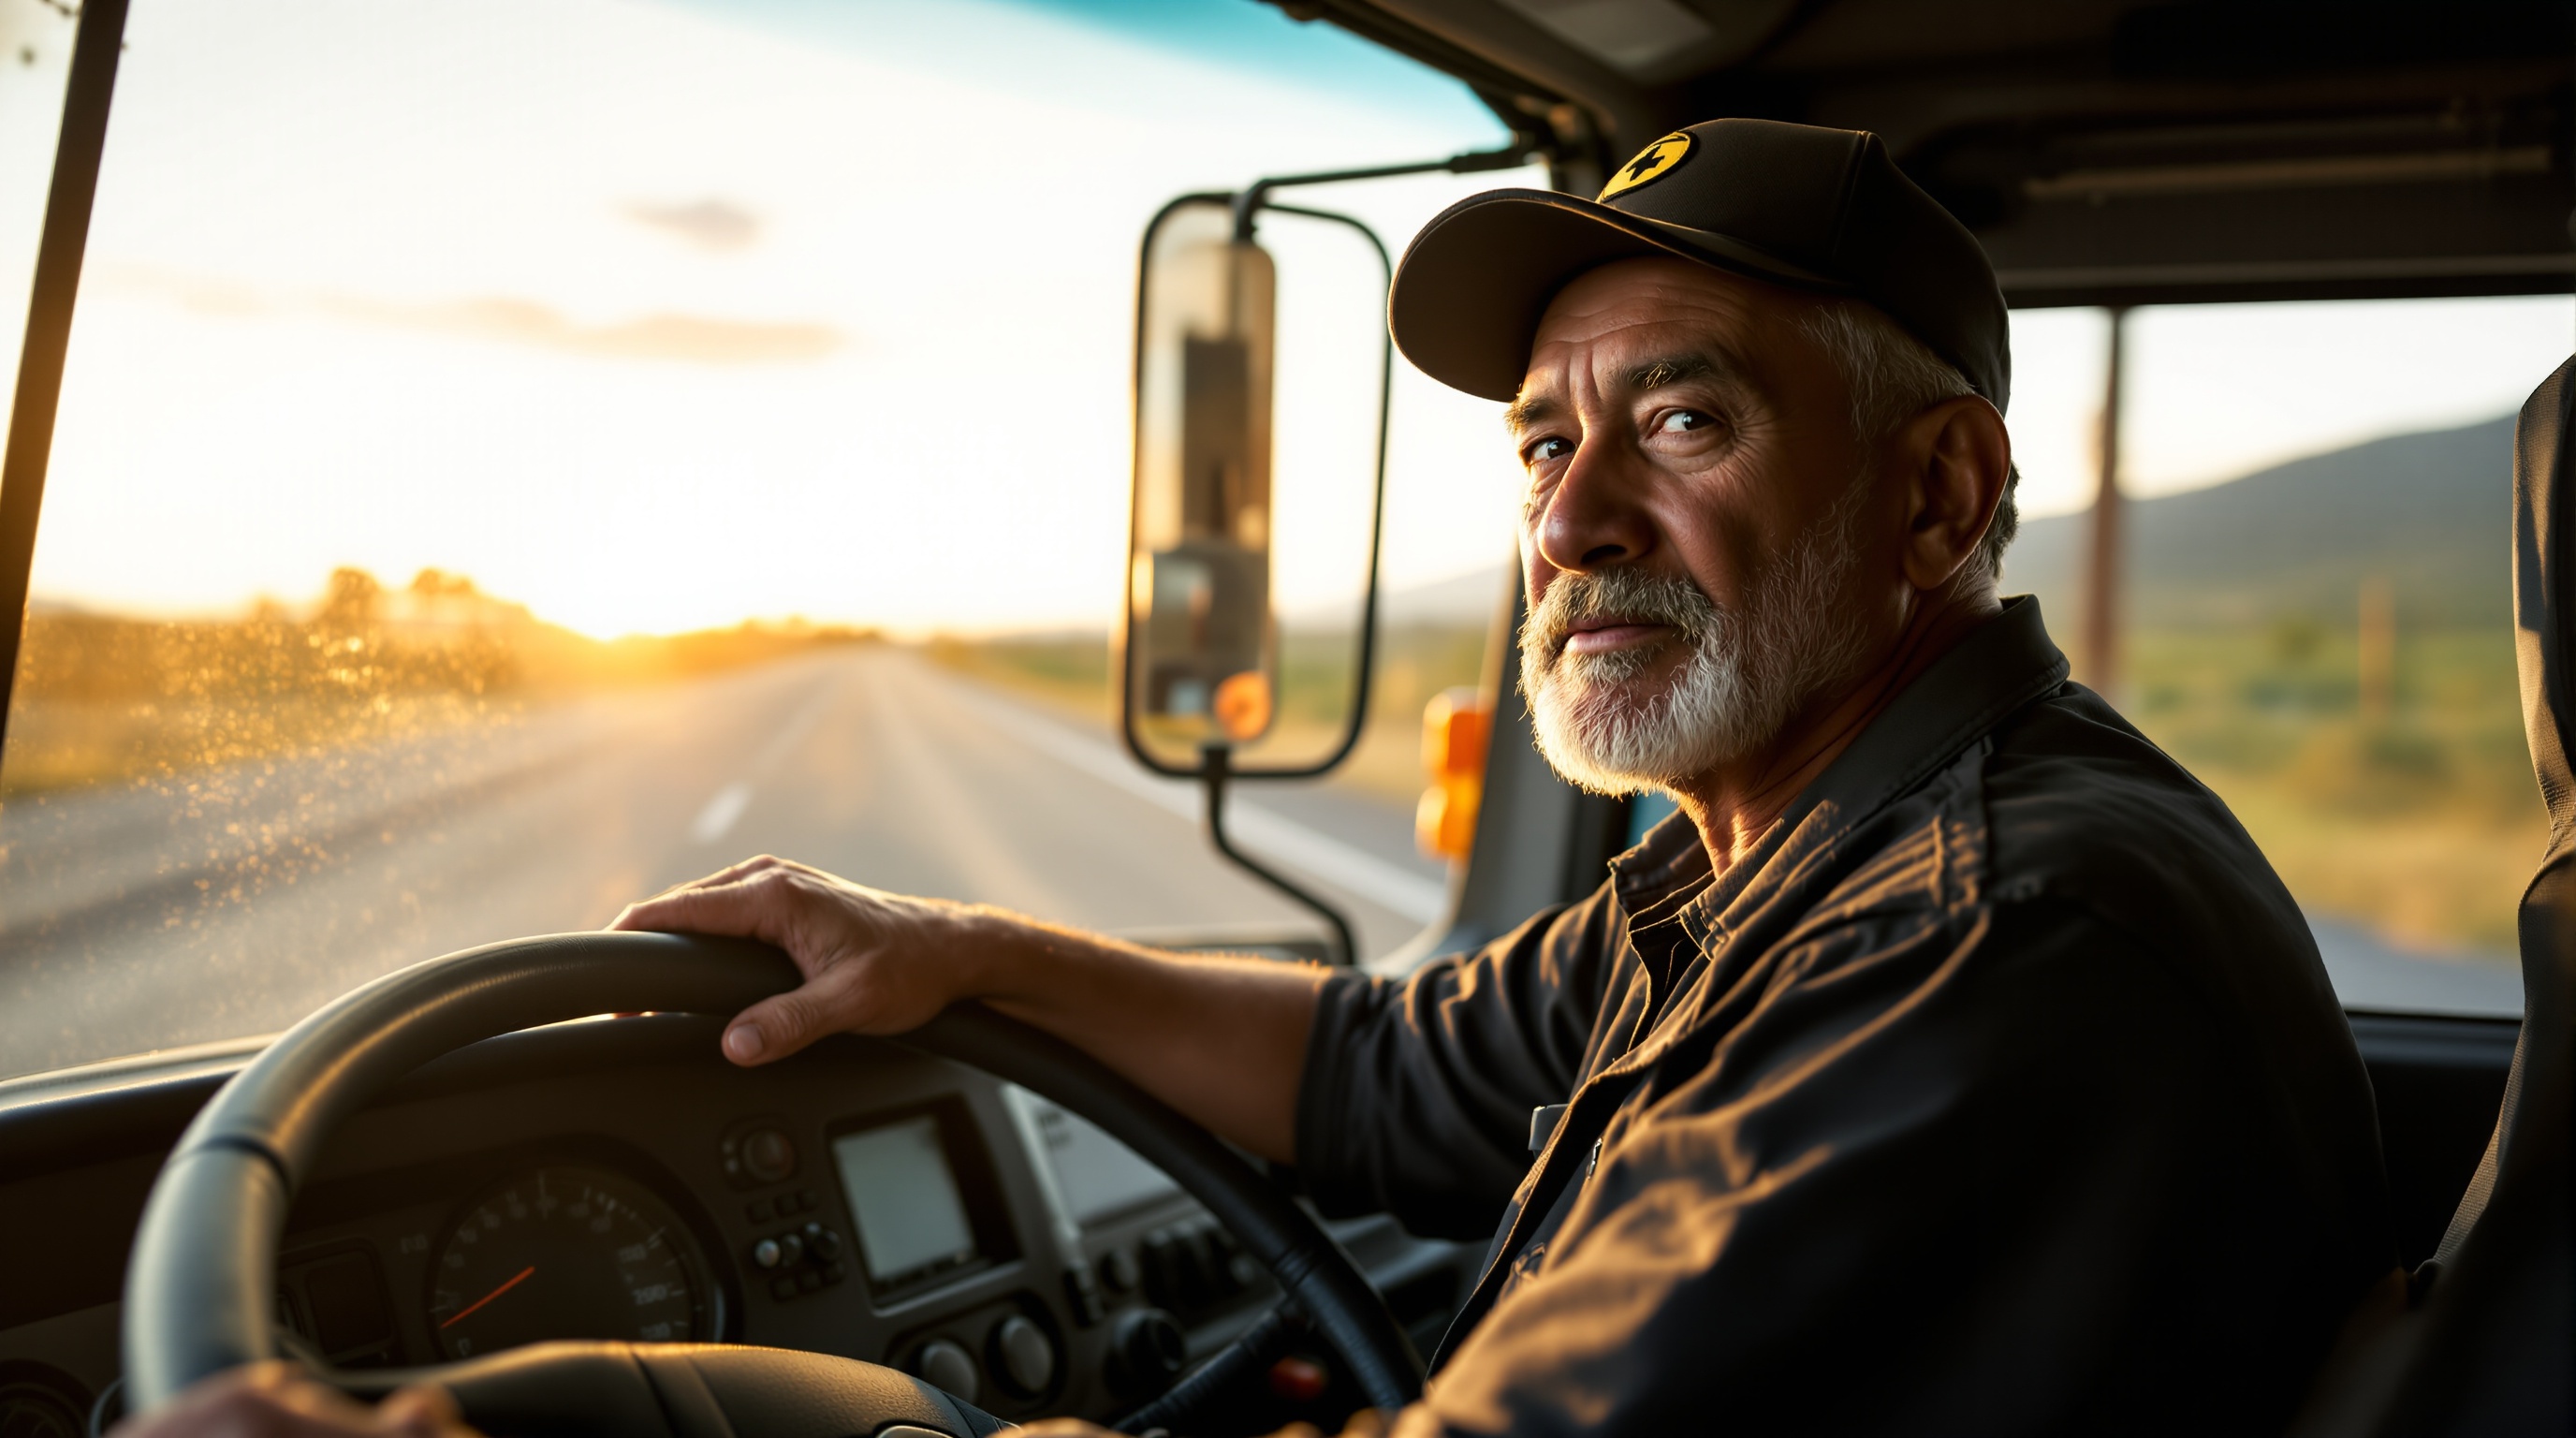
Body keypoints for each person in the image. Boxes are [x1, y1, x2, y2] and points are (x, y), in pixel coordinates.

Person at [119, 118, 2393, 1437]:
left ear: (1932, 498)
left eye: (1679, 424)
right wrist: (950, 953)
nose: (1573, 519)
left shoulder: (1977, 940)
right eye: (1541, 445)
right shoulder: (1785, 855)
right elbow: (1385, 1067)